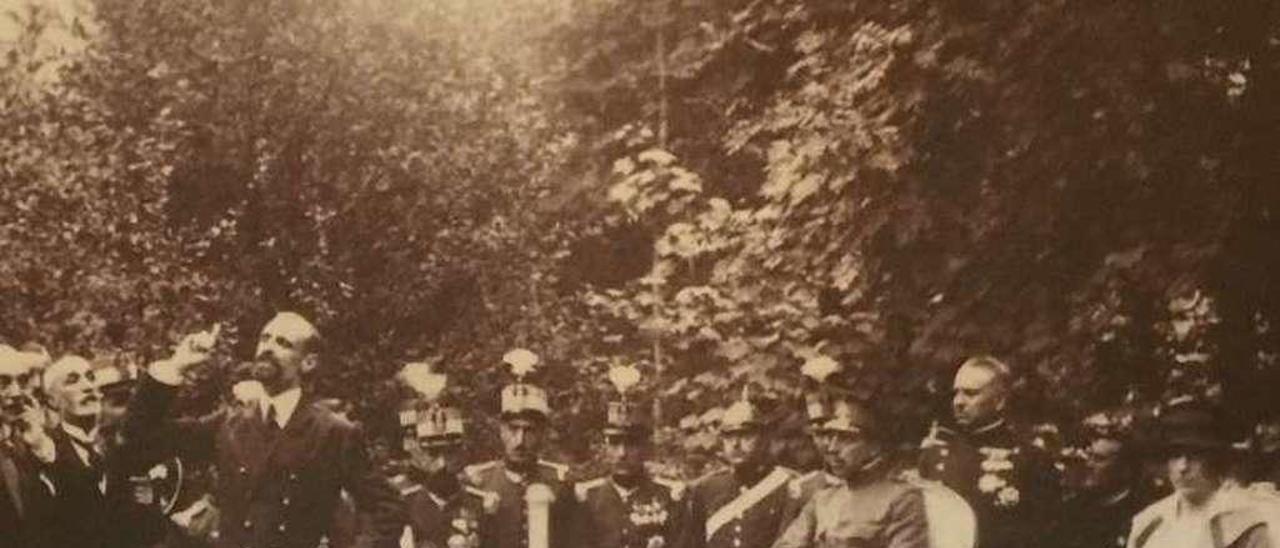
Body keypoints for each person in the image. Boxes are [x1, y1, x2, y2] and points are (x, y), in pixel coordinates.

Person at [122, 312, 407, 548]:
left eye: (283, 343)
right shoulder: (229, 424)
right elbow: (140, 438)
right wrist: (177, 365)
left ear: (308, 362)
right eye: (264, 338)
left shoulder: (334, 432)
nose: (267, 347)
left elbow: (388, 507)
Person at [918, 355, 1061, 548]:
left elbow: (1047, 530)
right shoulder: (936, 454)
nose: (958, 402)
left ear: (999, 400)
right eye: (956, 393)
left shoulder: (1030, 458)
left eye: (971, 393)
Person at [772, 393, 930, 548]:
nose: (832, 448)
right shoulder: (823, 499)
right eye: (830, 437)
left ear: (874, 446)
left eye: (845, 438)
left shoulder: (902, 500)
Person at [462, 348, 572, 548]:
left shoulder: (560, 482)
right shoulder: (479, 483)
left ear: (542, 433)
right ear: (501, 431)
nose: (520, 440)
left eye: (528, 431)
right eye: (513, 429)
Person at [1127, 399, 1272, 548]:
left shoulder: (1243, 525)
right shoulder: (1148, 524)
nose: (1183, 467)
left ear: (1215, 458)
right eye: (1175, 455)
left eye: (1194, 455)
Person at [572, 363, 686, 548]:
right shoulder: (587, 498)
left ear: (645, 447)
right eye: (615, 443)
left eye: (631, 444)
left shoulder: (669, 496)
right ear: (605, 447)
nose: (622, 453)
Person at [393, 361, 496, 548]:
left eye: (450, 450)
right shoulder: (396, 502)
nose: (442, 462)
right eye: (432, 451)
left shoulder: (479, 503)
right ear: (410, 446)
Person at [681, 386, 798, 548]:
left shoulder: (788, 485)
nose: (736, 444)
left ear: (764, 439)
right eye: (729, 437)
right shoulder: (706, 489)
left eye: (746, 435)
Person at [1059, 409, 1152, 548]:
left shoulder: (1143, 515)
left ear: (1125, 469)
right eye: (1089, 456)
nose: (1089, 464)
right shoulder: (1071, 509)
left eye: (1099, 459)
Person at [0, 346, 58, 548]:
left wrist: (39, 443)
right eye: (3, 382)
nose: (16, 392)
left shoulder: (27, 439)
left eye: (22, 381)